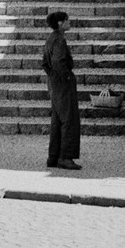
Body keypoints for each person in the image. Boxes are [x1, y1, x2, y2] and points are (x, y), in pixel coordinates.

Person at [42, 10, 81, 170]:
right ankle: (65, 157)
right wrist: (67, 77)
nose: (69, 22)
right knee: (69, 119)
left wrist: (52, 76)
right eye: (67, 20)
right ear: (60, 23)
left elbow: (45, 63)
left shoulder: (50, 39)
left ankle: (54, 156)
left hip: (53, 82)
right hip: (62, 83)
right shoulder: (59, 40)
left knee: (57, 119)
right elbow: (58, 61)